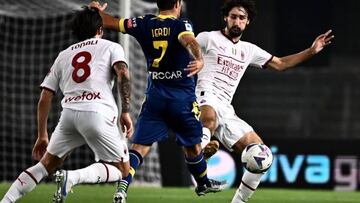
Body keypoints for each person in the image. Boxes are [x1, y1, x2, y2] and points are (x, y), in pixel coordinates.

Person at [195, 0, 334, 202]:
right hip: (204, 97)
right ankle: (199, 156)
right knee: (209, 118)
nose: (237, 21)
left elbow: (281, 64)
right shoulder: (208, 38)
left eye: (242, 18)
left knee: (262, 156)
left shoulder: (249, 50)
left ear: (248, 22)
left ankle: (238, 201)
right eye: (233, 16)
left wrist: (311, 51)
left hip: (226, 108)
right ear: (225, 17)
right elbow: (185, 49)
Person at [89, 0, 226, 202]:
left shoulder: (143, 23)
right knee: (193, 147)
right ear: (178, 4)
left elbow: (112, 22)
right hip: (182, 100)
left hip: (156, 99)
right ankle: (203, 183)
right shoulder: (181, 24)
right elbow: (189, 41)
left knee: (139, 148)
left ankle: (122, 189)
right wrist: (199, 58)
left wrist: (97, 12)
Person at [0, 7, 133, 203]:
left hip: (69, 116)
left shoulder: (63, 55)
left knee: (44, 165)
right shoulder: (111, 47)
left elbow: (45, 96)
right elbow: (123, 73)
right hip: (98, 113)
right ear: (101, 29)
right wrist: (126, 111)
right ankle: (73, 178)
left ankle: (6, 201)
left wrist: (42, 134)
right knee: (122, 171)